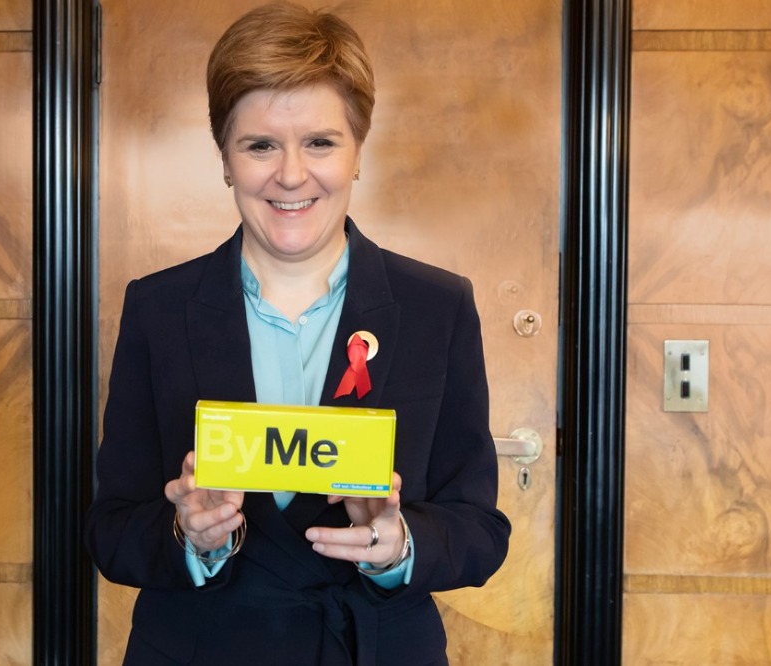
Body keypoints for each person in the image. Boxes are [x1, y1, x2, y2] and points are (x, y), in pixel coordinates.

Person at [86, 3, 510, 664]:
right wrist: (187, 534)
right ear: (225, 156)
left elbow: (480, 529)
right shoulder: (159, 308)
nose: (289, 174)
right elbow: (110, 531)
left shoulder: (438, 308)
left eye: (320, 142)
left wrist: (401, 546)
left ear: (358, 151)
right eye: (259, 144)